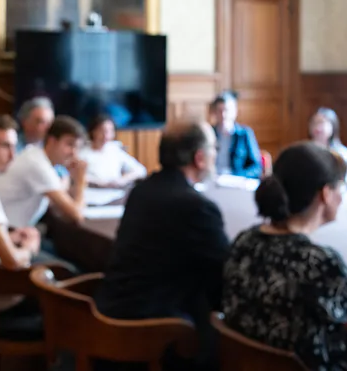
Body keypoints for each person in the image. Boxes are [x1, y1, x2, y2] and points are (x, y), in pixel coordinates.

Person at [222, 142, 347, 370]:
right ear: (325, 194)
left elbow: (318, 305)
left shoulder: (245, 241)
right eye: (338, 189)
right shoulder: (322, 264)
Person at [94, 120, 230, 371]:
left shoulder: (141, 190)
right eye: (214, 148)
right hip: (150, 332)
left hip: (110, 317)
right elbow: (226, 276)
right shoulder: (197, 207)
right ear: (199, 158)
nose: (215, 154)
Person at [0, 116, 88, 229]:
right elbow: (77, 214)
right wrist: (81, 180)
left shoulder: (37, 156)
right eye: (70, 144)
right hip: (1, 234)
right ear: (52, 141)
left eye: (78, 147)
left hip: (13, 229)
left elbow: (61, 201)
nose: (74, 153)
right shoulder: (38, 165)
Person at [0, 114, 41, 271]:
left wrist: (9, 238)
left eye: (14, 147)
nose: (12, 155)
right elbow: (12, 260)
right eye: (5, 146)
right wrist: (29, 248)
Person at [79, 114, 146, 188]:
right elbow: (74, 176)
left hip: (116, 192)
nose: (106, 135)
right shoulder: (82, 153)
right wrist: (100, 183)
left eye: (110, 131)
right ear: (93, 131)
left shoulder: (115, 149)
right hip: (92, 192)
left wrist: (122, 180)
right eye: (102, 131)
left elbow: (140, 170)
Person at [209, 91, 262, 179]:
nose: (223, 115)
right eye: (220, 111)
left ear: (234, 112)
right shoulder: (209, 133)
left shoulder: (244, 134)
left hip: (236, 181)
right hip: (214, 179)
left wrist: (237, 177)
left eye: (226, 110)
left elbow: (256, 167)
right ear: (215, 113)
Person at [309, 107, 347, 186]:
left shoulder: (342, 152)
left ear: (332, 125)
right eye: (314, 123)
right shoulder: (305, 151)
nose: (317, 128)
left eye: (321, 123)